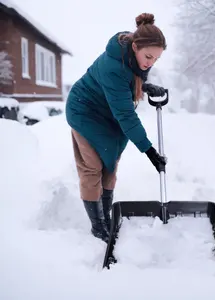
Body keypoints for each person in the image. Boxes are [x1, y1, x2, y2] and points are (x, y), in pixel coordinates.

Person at [65, 13, 167, 243]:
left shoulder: (133, 58)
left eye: (155, 59)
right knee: (92, 167)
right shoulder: (114, 65)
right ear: (135, 46)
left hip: (108, 113)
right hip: (86, 112)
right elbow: (125, 114)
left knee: (110, 163)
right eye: (148, 56)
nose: (150, 63)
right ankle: (98, 226)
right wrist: (150, 152)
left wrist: (146, 86)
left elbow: (129, 81)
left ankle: (106, 215)